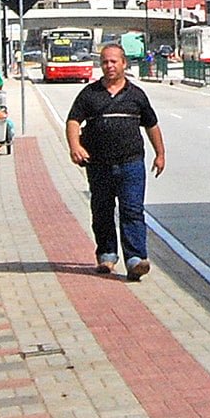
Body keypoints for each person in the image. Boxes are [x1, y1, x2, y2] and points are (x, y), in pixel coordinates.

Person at [65, 43, 166, 281]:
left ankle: (135, 259)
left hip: (131, 163)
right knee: (102, 211)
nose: (109, 66)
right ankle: (107, 255)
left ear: (123, 64)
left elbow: (151, 125)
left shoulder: (136, 95)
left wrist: (160, 154)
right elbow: (73, 121)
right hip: (99, 165)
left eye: (113, 61)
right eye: (104, 62)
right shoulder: (90, 94)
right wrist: (75, 146)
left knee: (132, 210)